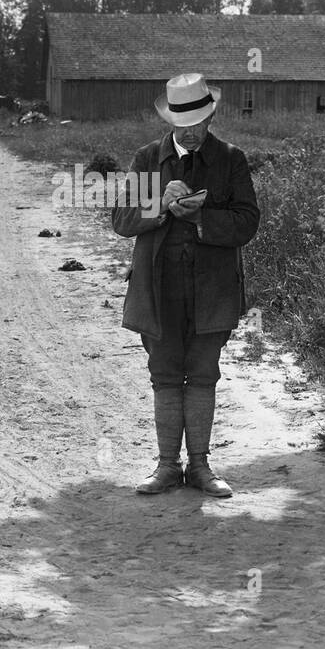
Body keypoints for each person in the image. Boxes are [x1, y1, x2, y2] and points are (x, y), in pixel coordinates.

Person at [111, 73, 260, 498]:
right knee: (164, 375)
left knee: (203, 375)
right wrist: (160, 204)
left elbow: (248, 223)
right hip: (158, 290)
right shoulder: (147, 159)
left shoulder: (231, 159)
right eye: (184, 124)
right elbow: (122, 222)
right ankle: (165, 467)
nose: (192, 132)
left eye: (200, 122)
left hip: (212, 289)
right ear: (171, 120)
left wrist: (199, 216)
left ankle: (200, 467)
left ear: (211, 116)